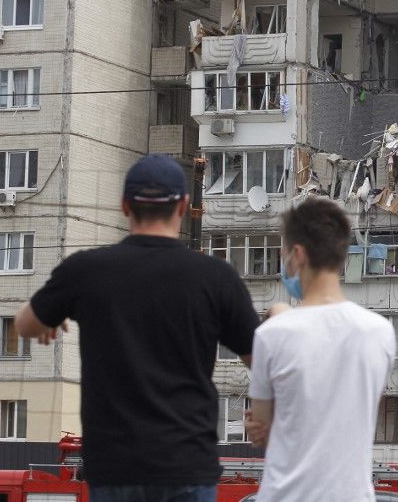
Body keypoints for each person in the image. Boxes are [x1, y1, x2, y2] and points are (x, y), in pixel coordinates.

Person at [15, 154, 260, 502]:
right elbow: (261, 359)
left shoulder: (86, 272)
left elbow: (25, 324)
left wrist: (48, 317)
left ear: (125, 205)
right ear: (183, 206)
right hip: (187, 466)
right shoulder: (215, 277)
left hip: (116, 468)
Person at [245, 197, 395, 502]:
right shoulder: (380, 332)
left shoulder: (271, 335)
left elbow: (261, 431)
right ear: (341, 257)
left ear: (298, 254)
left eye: (284, 254)